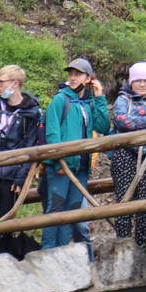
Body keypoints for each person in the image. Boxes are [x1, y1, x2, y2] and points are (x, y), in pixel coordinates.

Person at [41, 58, 109, 253]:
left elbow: (103, 126)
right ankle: (47, 253)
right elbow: (52, 133)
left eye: (78, 74)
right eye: (71, 74)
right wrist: (58, 161)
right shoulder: (60, 100)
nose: (72, 77)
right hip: (61, 167)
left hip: (81, 168)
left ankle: (62, 252)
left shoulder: (88, 102)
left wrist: (99, 97)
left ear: (88, 78)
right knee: (55, 209)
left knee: (71, 212)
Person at [109, 62, 146, 248]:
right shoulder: (122, 101)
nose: (142, 85)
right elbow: (122, 121)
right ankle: (124, 245)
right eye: (138, 81)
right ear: (131, 82)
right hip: (124, 156)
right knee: (124, 201)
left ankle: (142, 245)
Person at [0, 66, 43, 258]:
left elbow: (31, 147)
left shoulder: (33, 113)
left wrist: (21, 178)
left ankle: (1, 264)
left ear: (15, 83)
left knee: (4, 223)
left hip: (10, 177)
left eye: (1, 81)